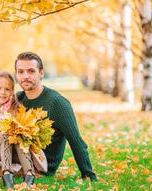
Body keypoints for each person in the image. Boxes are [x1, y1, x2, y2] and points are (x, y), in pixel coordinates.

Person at [14, 52, 97, 181]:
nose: (25, 76)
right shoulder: (19, 98)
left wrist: (88, 174)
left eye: (31, 71)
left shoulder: (57, 103)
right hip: (15, 159)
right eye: (20, 72)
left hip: (38, 167)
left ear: (41, 73)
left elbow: (76, 142)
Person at [0, 72, 48, 189]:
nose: (2, 92)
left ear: (12, 91)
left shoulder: (17, 110)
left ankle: (29, 174)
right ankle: (7, 173)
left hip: (17, 152)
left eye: (7, 89)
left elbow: (27, 133)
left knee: (16, 136)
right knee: (5, 136)